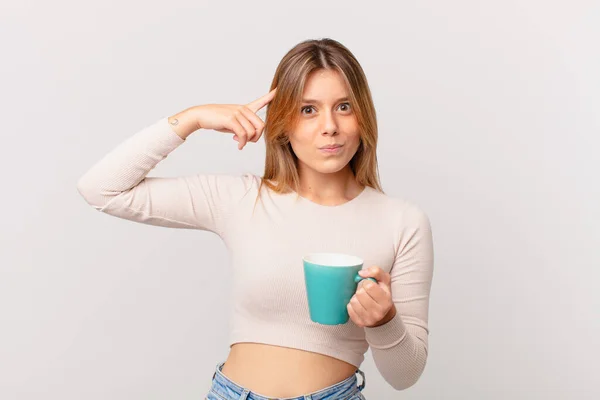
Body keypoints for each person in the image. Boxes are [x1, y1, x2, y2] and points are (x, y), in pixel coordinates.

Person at [77, 38, 434, 400]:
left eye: (343, 106)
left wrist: (384, 321)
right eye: (308, 110)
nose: (330, 126)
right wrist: (193, 118)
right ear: (283, 123)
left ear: (363, 116)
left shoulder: (402, 223)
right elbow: (101, 190)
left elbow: (406, 375)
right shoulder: (242, 200)